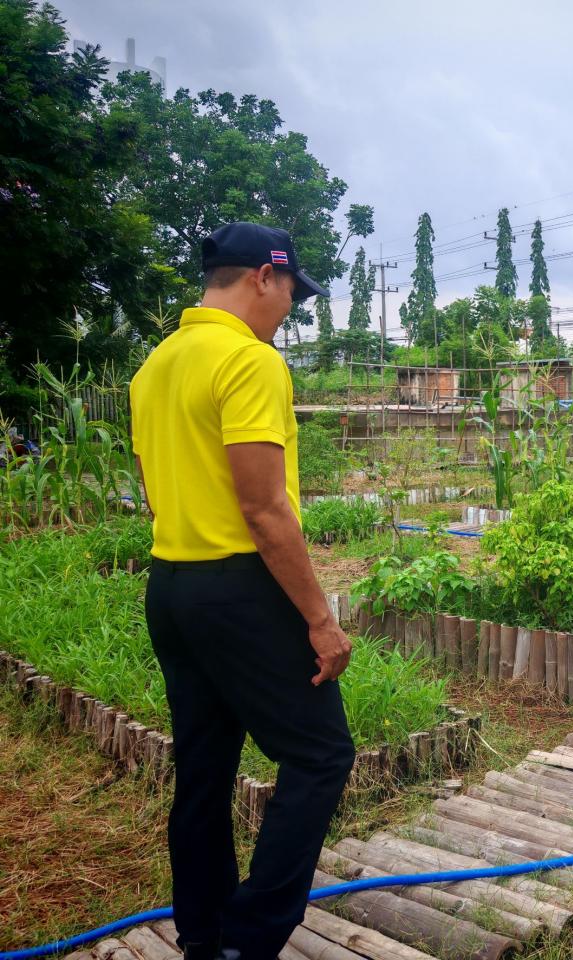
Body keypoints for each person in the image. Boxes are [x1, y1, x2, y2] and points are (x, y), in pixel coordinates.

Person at [130, 222, 355, 960]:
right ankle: (251, 938)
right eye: (291, 290)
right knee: (321, 753)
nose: (290, 306)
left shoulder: (156, 365)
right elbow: (263, 508)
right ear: (263, 276)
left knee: (203, 769)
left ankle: (202, 934)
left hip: (172, 587)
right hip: (240, 591)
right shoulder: (249, 360)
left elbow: (156, 494)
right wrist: (320, 619)